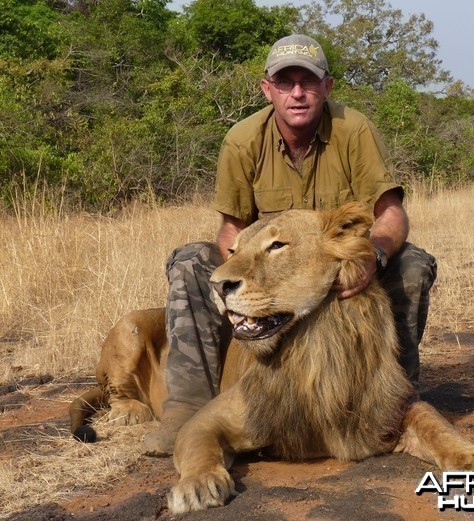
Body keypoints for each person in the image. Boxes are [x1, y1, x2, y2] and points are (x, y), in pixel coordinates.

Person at [142, 34, 437, 456]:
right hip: (267, 264)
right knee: (191, 261)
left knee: (411, 264)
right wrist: (250, 278)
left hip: (331, 259)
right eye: (285, 82)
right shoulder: (243, 140)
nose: (297, 93)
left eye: (308, 81)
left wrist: (374, 254)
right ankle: (185, 408)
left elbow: (390, 214)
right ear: (268, 89)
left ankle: (392, 393)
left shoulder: (353, 130)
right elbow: (232, 230)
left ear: (327, 86)